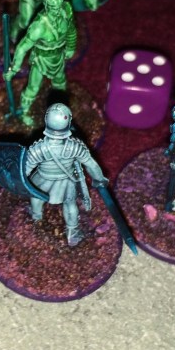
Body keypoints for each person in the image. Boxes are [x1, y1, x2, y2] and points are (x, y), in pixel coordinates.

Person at [24, 103, 106, 246]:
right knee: (70, 204)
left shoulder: (38, 148)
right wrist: (99, 179)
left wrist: (20, 182)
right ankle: (72, 231)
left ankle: (36, 217)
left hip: (42, 178)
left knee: (36, 197)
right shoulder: (75, 147)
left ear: (46, 120)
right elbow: (91, 164)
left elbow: (26, 168)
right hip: (66, 181)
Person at [5, 0, 77, 126]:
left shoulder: (64, 12)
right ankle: (25, 112)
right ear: (47, 6)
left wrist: (71, 47)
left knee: (60, 82)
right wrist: (14, 68)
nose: (58, 10)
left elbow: (71, 30)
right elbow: (22, 47)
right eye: (54, 7)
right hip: (41, 59)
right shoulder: (39, 26)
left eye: (59, 6)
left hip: (58, 56)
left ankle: (62, 108)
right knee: (33, 88)